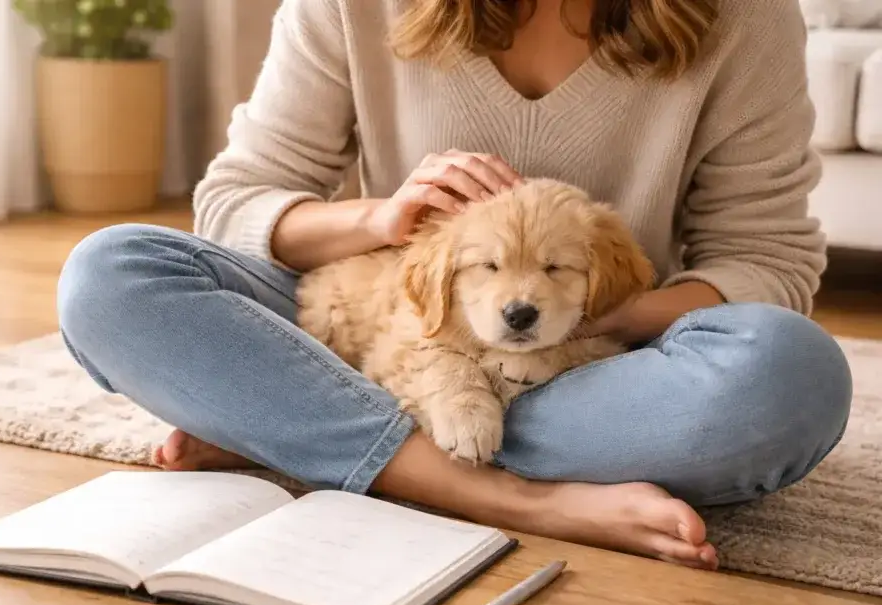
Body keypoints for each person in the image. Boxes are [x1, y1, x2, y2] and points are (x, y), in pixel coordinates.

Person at [56, 0, 853, 571]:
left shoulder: (745, 16)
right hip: (394, 320)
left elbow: (768, 262)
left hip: (586, 363)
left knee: (791, 376)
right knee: (111, 276)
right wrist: (382, 219)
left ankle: (292, 421)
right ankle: (506, 494)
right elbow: (234, 203)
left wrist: (587, 315)